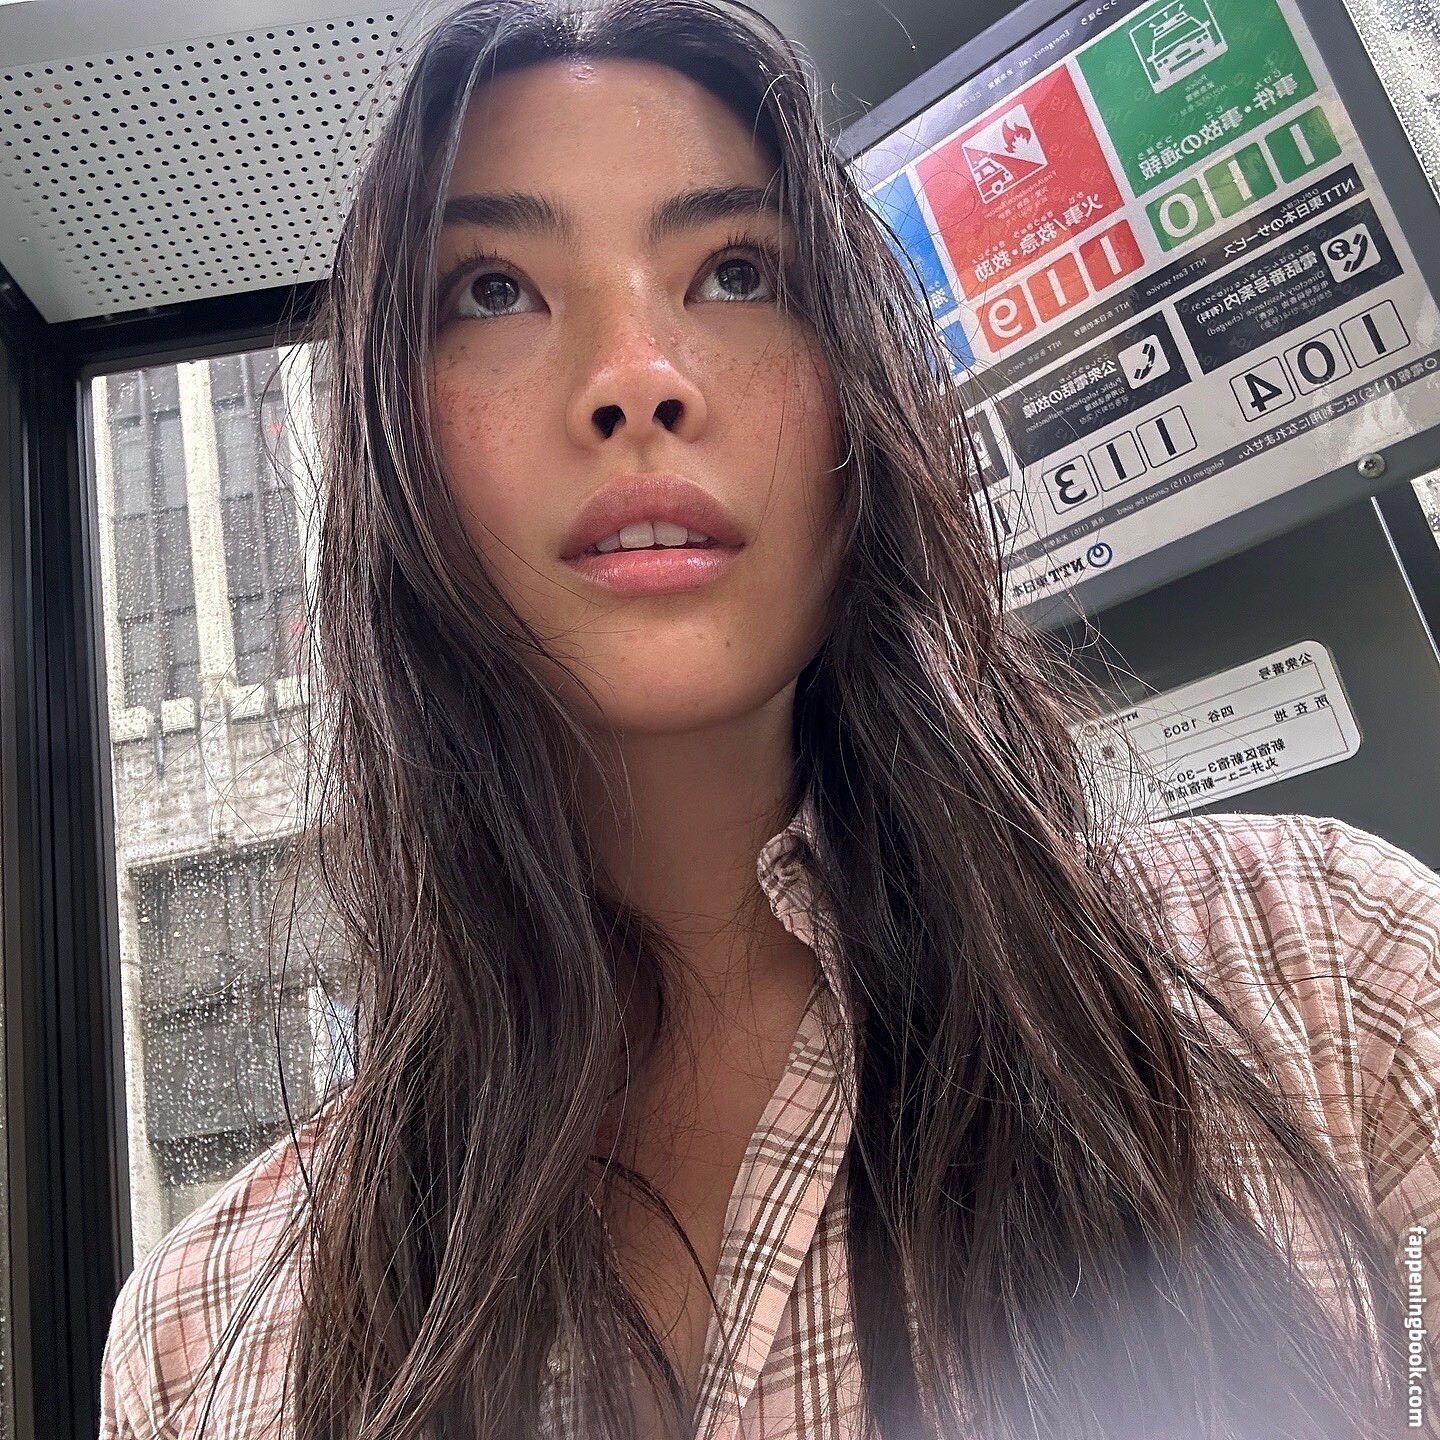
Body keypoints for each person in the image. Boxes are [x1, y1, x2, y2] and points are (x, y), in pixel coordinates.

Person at [98, 2, 1440, 1437]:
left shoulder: (1326, 969)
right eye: (492, 291)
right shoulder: (207, 1337)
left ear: (858, 390)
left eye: (737, 272)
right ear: (384, 447)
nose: (637, 378)